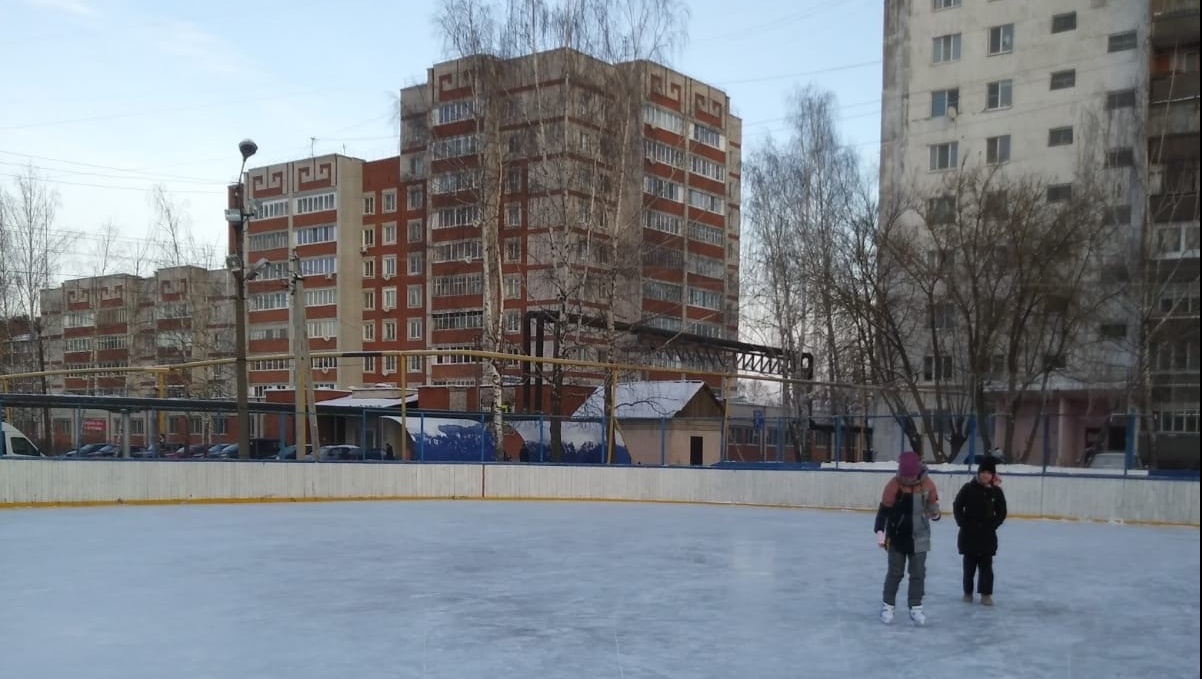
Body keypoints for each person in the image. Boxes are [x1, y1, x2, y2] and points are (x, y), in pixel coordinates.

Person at [874, 450, 941, 626]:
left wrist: (935, 513)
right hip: (897, 536)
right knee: (895, 573)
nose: (908, 479)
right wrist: (880, 532)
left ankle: (916, 607)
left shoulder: (927, 484)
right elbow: (883, 511)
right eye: (906, 476)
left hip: (920, 536)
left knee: (918, 573)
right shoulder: (893, 485)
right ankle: (888, 606)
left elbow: (933, 503)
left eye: (911, 476)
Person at [953, 455, 1007, 606]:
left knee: (986, 567)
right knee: (968, 568)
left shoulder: (996, 492)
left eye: (989, 473)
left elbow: (1002, 512)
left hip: (987, 535)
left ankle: (986, 594)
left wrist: (993, 525)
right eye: (983, 472)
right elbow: (957, 505)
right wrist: (963, 523)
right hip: (968, 534)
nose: (985, 475)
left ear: (992, 475)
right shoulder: (968, 488)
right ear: (978, 473)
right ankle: (968, 592)